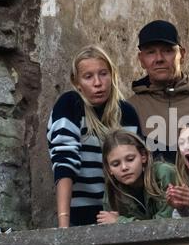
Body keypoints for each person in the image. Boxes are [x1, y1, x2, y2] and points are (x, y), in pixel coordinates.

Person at [47, 45, 142, 227]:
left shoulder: (126, 113)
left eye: (103, 74)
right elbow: (65, 163)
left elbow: (138, 166)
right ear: (77, 83)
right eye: (88, 77)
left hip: (122, 214)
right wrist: (63, 226)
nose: (98, 83)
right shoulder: (70, 105)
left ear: (112, 75)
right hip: (79, 214)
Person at [129, 20, 189, 163]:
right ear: (141, 59)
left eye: (167, 50)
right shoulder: (129, 109)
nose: (159, 59)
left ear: (182, 55)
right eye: (151, 52)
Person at [96, 129, 175, 224]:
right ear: (109, 169)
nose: (124, 167)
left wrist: (120, 221)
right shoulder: (112, 192)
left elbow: (165, 225)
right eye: (116, 164)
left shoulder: (164, 173)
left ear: (143, 156)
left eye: (130, 159)